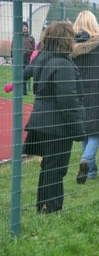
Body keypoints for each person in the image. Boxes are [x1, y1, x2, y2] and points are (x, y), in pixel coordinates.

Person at [21, 21, 86, 214]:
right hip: (56, 125)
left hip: (40, 120)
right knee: (56, 169)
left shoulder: (42, 57)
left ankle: (43, 205)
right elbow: (68, 101)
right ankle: (53, 208)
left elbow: (26, 72)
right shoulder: (63, 64)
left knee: (48, 167)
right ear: (66, 39)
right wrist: (78, 130)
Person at [70, 11, 99, 183]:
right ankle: (86, 159)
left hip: (76, 91)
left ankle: (91, 171)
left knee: (84, 128)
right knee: (95, 128)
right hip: (97, 91)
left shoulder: (70, 46)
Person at [11, 21, 35, 95]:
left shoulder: (31, 38)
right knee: (18, 74)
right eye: (23, 26)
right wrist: (13, 57)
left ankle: (24, 91)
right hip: (18, 58)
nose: (24, 27)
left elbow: (33, 48)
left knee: (25, 74)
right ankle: (18, 90)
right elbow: (12, 47)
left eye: (25, 26)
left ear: (27, 28)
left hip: (27, 57)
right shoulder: (16, 37)